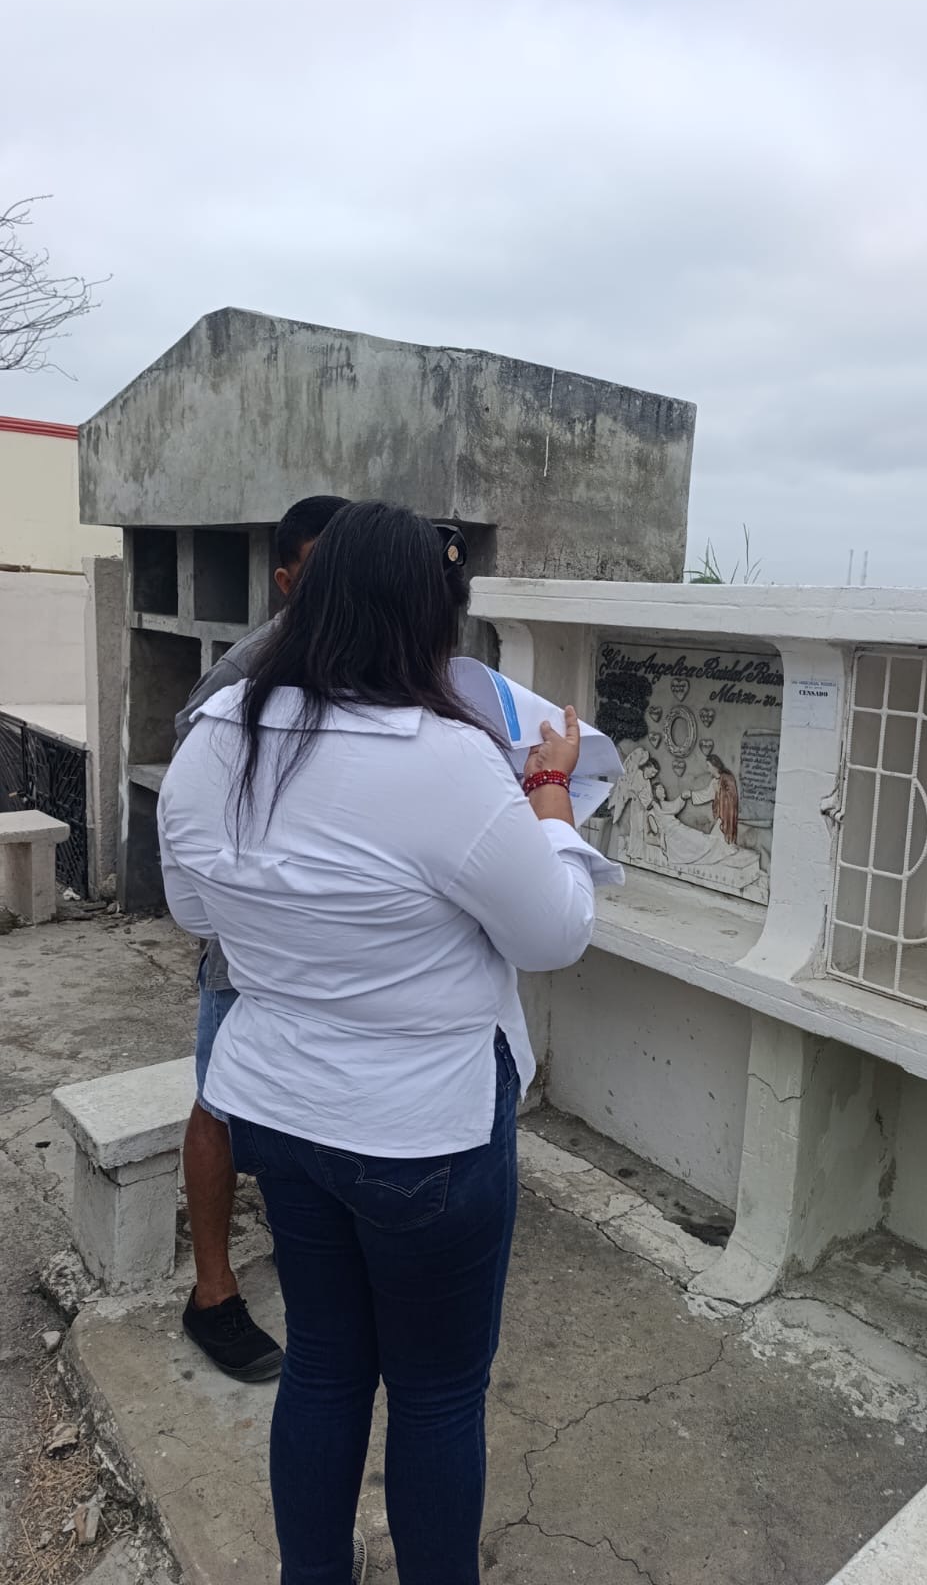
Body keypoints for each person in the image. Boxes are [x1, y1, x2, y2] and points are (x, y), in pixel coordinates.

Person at [157, 502, 620, 1585]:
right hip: (425, 1133)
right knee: (436, 1392)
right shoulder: (447, 760)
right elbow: (553, 936)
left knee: (324, 1365)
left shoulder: (216, 738)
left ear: (310, 600)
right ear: (429, 617)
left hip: (279, 1111)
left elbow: (195, 911)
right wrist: (550, 792)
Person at [173, 494, 350, 1381]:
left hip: (324, 935)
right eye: (323, 574)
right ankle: (212, 1294)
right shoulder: (251, 668)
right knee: (219, 1102)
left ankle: (309, 1247)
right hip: (247, 935)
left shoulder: (367, 658)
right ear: (286, 581)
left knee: (313, 1098)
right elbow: (193, 776)